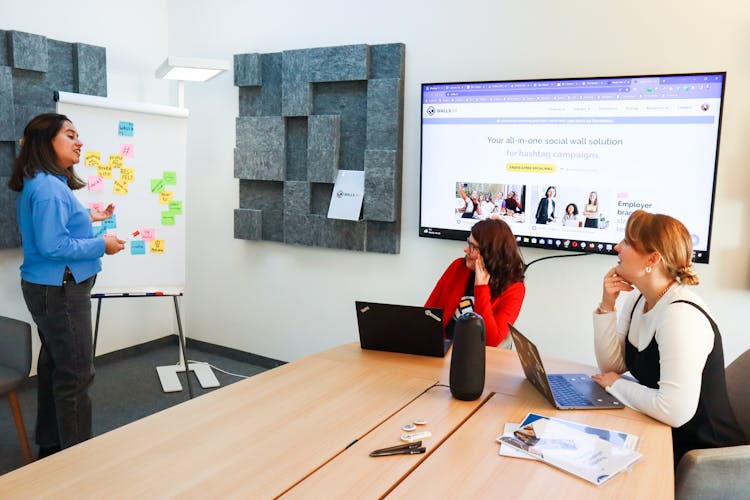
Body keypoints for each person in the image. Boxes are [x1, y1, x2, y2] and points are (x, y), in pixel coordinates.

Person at [7, 113, 126, 458]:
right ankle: (75, 462)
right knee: (76, 373)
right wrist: (102, 243)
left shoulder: (44, 182)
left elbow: (56, 226)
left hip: (49, 288)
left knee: (55, 366)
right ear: (47, 142)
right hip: (60, 289)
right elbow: (55, 246)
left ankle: (52, 446)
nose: (80, 142)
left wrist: (90, 217)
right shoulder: (49, 190)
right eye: (70, 135)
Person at [591, 210, 744, 466]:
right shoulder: (638, 298)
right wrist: (607, 306)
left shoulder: (680, 316)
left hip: (702, 458)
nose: (617, 247)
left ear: (653, 258)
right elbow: (611, 367)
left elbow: (673, 410)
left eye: (627, 243)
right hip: (661, 433)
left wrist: (616, 385)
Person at [425, 219, 526, 347]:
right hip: (445, 349)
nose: (466, 250)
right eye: (468, 243)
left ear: (490, 253)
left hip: (482, 357)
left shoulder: (514, 288)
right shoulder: (458, 267)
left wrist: (481, 288)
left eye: (473, 247)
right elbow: (428, 313)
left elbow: (490, 340)